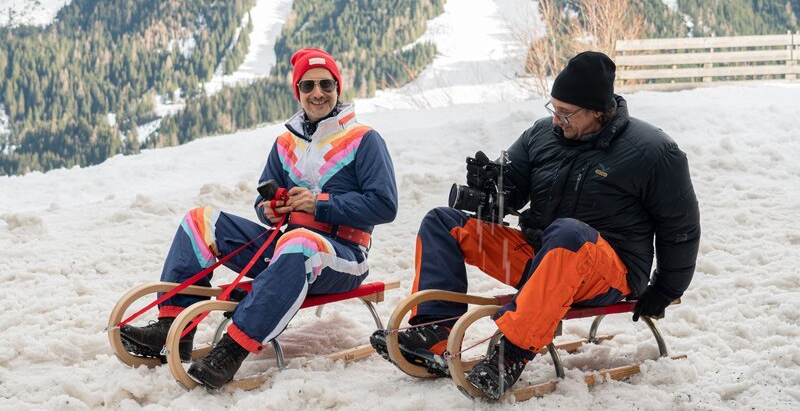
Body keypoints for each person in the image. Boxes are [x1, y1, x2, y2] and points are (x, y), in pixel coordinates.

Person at [371, 51, 700, 400]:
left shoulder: (653, 151)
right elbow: (511, 188)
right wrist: (491, 187)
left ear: (598, 111)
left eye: (566, 112)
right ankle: (434, 332)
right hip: (543, 256)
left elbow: (680, 227)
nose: (556, 119)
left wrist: (666, 288)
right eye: (553, 108)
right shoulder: (542, 135)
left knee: (569, 233)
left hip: (608, 272)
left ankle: (510, 352)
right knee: (443, 222)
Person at [121, 47, 398, 389]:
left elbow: (385, 205)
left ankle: (232, 350)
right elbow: (263, 198)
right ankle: (173, 328)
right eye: (308, 86)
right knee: (199, 221)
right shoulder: (286, 142)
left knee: (299, 244)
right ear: (297, 92)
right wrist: (267, 210)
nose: (318, 93)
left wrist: (320, 204)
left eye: (326, 84)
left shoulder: (364, 139)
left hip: (343, 256)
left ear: (338, 88)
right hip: (286, 250)